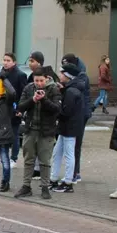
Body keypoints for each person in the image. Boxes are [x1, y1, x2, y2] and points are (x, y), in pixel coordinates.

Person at [14, 67, 62, 199]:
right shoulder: (29, 88)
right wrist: (33, 100)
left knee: (45, 161)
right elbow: (20, 106)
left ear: (46, 79)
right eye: (36, 81)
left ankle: (45, 187)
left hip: (46, 132)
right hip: (30, 129)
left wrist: (44, 99)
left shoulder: (54, 89)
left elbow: (57, 109)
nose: (39, 83)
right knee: (28, 159)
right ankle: (26, 186)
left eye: (41, 80)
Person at [0, 53, 28, 168]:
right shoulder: (1, 74)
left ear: (14, 62)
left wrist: (19, 108)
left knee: (14, 134)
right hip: (1, 110)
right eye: (4, 60)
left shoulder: (20, 75)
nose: (5, 62)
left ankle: (13, 159)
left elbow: (23, 93)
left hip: (13, 109)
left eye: (8, 60)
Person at [49, 63, 85, 193]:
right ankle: (53, 178)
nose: (59, 76)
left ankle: (68, 182)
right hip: (67, 127)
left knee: (68, 154)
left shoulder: (71, 91)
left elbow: (66, 111)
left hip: (69, 127)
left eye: (62, 74)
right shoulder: (71, 89)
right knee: (57, 152)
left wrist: (55, 110)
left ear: (68, 76)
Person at [61, 54, 92, 182]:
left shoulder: (81, 78)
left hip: (79, 114)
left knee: (74, 145)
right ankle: (72, 173)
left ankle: (74, 173)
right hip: (76, 113)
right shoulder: (78, 78)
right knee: (68, 145)